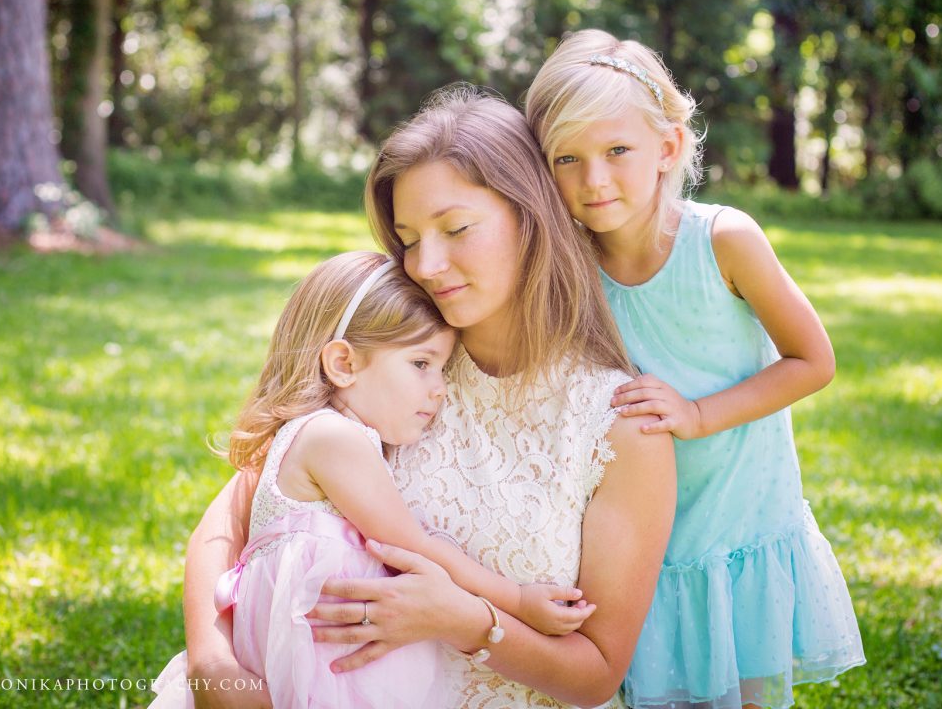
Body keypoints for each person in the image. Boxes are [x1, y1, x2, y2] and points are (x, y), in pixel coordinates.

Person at [178, 86, 677, 708]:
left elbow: (597, 672)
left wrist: (468, 623)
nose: (426, 264)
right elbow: (235, 509)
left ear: (531, 218)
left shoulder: (618, 426)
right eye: (409, 237)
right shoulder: (393, 364)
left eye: (457, 228)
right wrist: (211, 659)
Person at [523, 28, 866, 709]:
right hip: (640, 536)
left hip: (739, 519)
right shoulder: (570, 273)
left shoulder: (723, 240)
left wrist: (698, 413)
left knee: (746, 694)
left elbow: (813, 360)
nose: (595, 180)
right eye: (568, 159)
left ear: (669, 147)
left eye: (618, 150)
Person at [150, 251, 598, 709]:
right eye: (421, 364)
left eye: (443, 368)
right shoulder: (332, 439)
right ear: (343, 364)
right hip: (324, 670)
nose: (440, 387)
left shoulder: (314, 433)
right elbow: (415, 546)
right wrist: (518, 601)